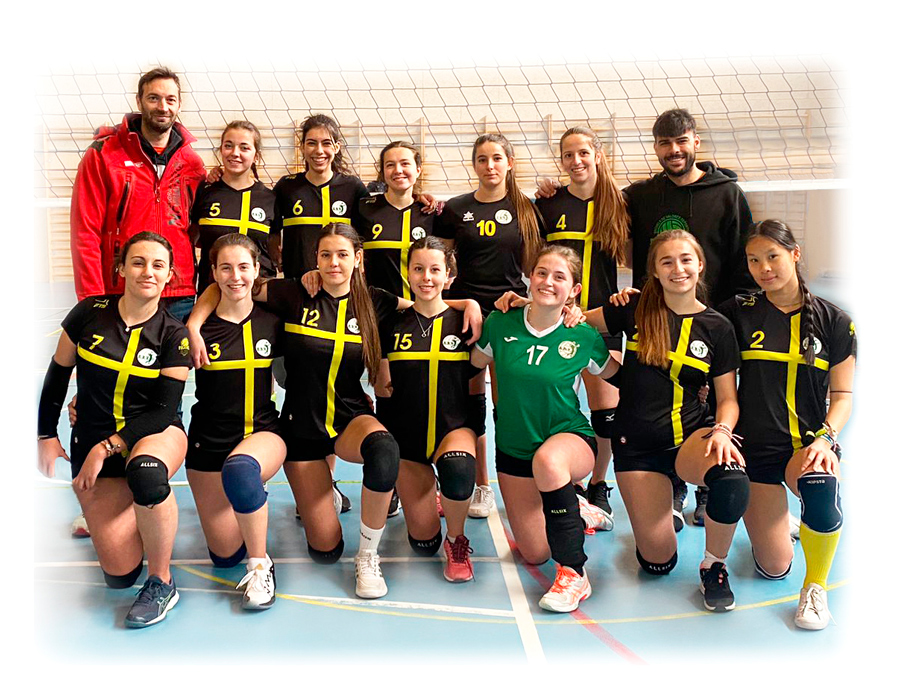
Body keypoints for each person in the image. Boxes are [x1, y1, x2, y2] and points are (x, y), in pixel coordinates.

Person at [187, 223, 481, 599]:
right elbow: (229, 282)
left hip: (349, 417)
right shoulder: (293, 293)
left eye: (343, 254)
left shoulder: (375, 300)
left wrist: (468, 303)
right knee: (325, 550)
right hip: (301, 427)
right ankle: (329, 499)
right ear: (316, 260)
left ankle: (368, 555)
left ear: (358, 259)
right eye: (325, 255)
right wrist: (194, 325)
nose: (333, 263)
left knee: (384, 448)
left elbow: (429, 304)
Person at [583, 230, 750, 612]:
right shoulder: (634, 310)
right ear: (654, 271)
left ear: (700, 265)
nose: (678, 269)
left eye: (686, 260)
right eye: (667, 262)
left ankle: (714, 565)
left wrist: (723, 430)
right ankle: (666, 494)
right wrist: (524, 303)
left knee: (732, 478)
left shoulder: (717, 327)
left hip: (690, 438)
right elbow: (575, 322)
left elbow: (727, 399)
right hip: (637, 447)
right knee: (658, 564)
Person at [37, 232, 191, 628]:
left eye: (158, 265)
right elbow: (57, 376)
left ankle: (162, 581)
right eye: (138, 262)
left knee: (147, 474)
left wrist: (108, 446)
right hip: (90, 437)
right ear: (120, 268)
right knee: (119, 575)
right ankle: (139, 513)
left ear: (170, 275)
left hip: (153, 434)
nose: (148, 272)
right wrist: (46, 435)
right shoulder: (89, 312)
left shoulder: (174, 335)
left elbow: (164, 409)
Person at [718, 219, 855, 629]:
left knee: (821, 485)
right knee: (773, 568)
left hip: (807, 446)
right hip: (756, 452)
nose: (764, 268)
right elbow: (683, 314)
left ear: (794, 254)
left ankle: (815, 589)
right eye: (754, 260)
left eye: (772, 257)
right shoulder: (737, 313)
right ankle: (781, 523)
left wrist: (827, 438)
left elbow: (843, 396)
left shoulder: (835, 321)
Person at [479, 245, 615, 612]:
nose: (548, 282)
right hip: (513, 450)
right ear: (529, 278)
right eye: (541, 273)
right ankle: (576, 507)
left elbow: (618, 377)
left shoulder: (582, 335)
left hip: (569, 439)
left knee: (550, 463)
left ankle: (574, 573)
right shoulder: (501, 323)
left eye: (559, 277)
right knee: (535, 554)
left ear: (574, 290)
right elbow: (472, 360)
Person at [434, 133, 544, 519]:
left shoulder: (527, 209)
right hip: (465, 314)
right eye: (482, 159)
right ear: (475, 165)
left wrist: (533, 302)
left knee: (508, 405)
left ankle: (517, 481)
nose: (490, 166)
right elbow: (440, 258)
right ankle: (480, 484)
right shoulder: (457, 209)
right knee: (470, 403)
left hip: (509, 314)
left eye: (497, 158)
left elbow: (536, 268)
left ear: (510, 162)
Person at [534, 126, 630, 526]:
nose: (576, 161)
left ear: (598, 154)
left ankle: (598, 483)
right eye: (568, 155)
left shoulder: (620, 203)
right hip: (556, 321)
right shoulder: (549, 203)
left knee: (606, 412)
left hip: (599, 320)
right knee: (557, 405)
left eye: (583, 153)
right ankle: (564, 481)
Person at [186, 234, 286, 610]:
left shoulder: (275, 322)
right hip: (208, 442)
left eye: (244, 267)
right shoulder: (195, 329)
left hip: (262, 433)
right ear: (213, 273)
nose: (235, 276)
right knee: (224, 555)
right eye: (225, 268)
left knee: (242, 471)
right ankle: (249, 506)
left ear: (257, 270)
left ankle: (261, 564)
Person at [70, 66, 206, 320]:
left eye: (170, 99)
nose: (162, 107)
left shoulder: (192, 163)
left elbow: (201, 229)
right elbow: (85, 233)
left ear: (179, 105)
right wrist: (92, 300)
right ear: (139, 101)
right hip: (121, 292)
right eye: (153, 98)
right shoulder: (104, 154)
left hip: (179, 295)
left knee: (177, 362)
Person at [379, 237, 479, 582]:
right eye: (418, 269)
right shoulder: (391, 323)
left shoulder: (466, 322)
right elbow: (382, 385)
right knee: (423, 543)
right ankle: (430, 502)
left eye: (435, 269)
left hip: (453, 429)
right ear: (407, 274)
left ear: (449, 275)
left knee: (457, 469)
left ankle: (457, 539)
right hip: (408, 437)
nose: (426, 277)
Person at [270, 114, 370, 279]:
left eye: (326, 143)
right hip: (297, 283)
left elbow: (379, 216)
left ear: (336, 147)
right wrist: (275, 250)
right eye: (311, 143)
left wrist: (416, 197)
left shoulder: (353, 187)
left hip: (340, 285)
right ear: (302, 147)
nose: (319, 150)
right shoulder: (286, 187)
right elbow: (271, 227)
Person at [191, 121, 277, 292]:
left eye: (244, 148)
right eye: (228, 146)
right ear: (221, 150)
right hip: (213, 293)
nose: (235, 153)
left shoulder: (270, 198)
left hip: (259, 296)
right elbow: (194, 238)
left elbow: (275, 249)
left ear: (256, 156)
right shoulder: (205, 191)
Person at [358, 141, 434, 300]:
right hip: (376, 310)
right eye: (390, 165)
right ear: (383, 172)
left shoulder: (430, 212)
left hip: (419, 313)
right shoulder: (364, 209)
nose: (398, 170)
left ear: (418, 169)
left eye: (405, 163)